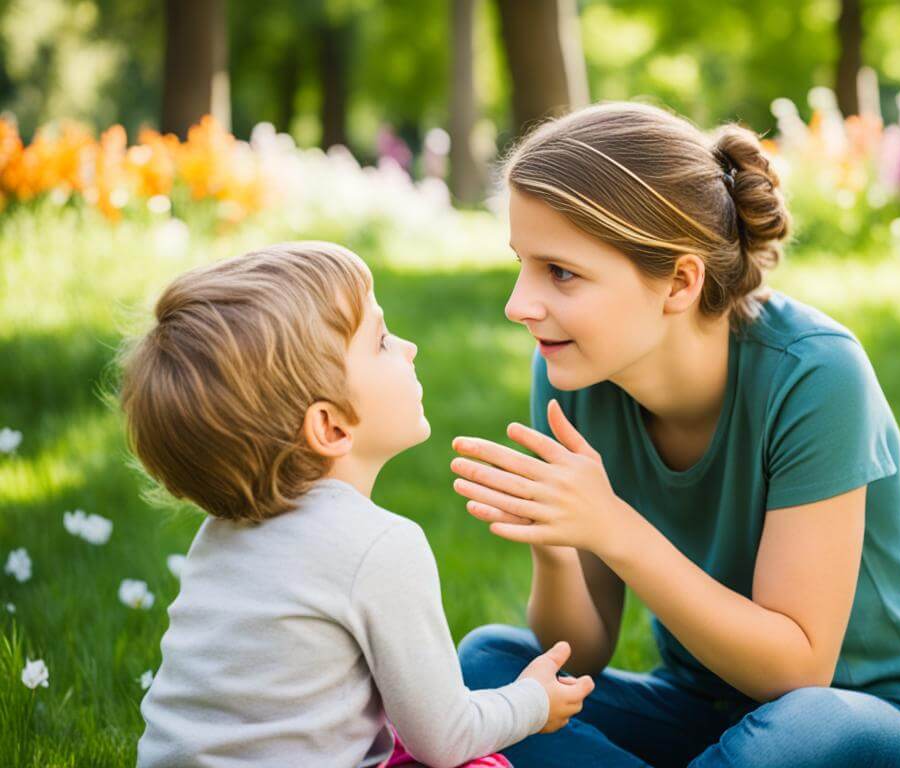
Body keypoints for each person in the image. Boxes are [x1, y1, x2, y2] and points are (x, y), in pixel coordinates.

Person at [450, 103, 900, 767]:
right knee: (493, 665)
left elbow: (794, 671)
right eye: (523, 264)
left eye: (560, 272)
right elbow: (582, 651)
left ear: (680, 281)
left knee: (796, 730)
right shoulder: (571, 371)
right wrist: (556, 536)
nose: (519, 304)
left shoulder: (816, 375)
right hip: (693, 705)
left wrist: (614, 528)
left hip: (847, 714)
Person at [121, 242, 593, 767]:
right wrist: (533, 700)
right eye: (383, 340)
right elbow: (447, 739)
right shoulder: (380, 546)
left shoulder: (217, 536)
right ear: (330, 426)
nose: (409, 347)